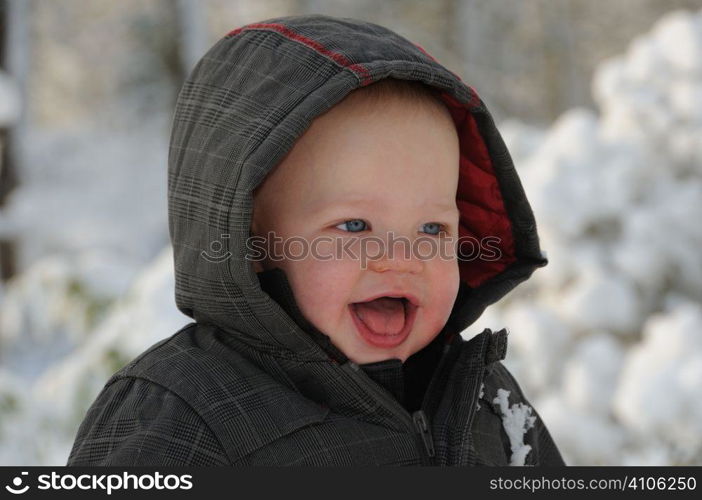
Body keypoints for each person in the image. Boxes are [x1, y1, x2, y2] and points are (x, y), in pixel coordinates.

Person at [67, 14, 565, 466]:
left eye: (432, 229)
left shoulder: (480, 394)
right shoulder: (182, 410)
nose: (400, 259)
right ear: (250, 241)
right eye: (354, 226)